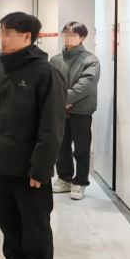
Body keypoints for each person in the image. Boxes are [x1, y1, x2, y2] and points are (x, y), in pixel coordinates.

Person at [0, 12, 67, 259]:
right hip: (0, 162)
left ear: (28, 36)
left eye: (8, 33)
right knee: (7, 221)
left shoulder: (46, 73)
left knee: (35, 226)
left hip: (29, 168)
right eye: (0, 32)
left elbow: (52, 127)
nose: (1, 38)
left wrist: (40, 168)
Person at [50, 22, 100, 201]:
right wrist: (60, 102)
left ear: (82, 37)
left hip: (81, 111)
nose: (67, 38)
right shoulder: (55, 60)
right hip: (60, 111)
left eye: (72, 34)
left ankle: (80, 182)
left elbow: (85, 86)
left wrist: (64, 100)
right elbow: (51, 83)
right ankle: (64, 178)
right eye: (65, 34)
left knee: (81, 148)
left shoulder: (91, 60)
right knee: (61, 147)